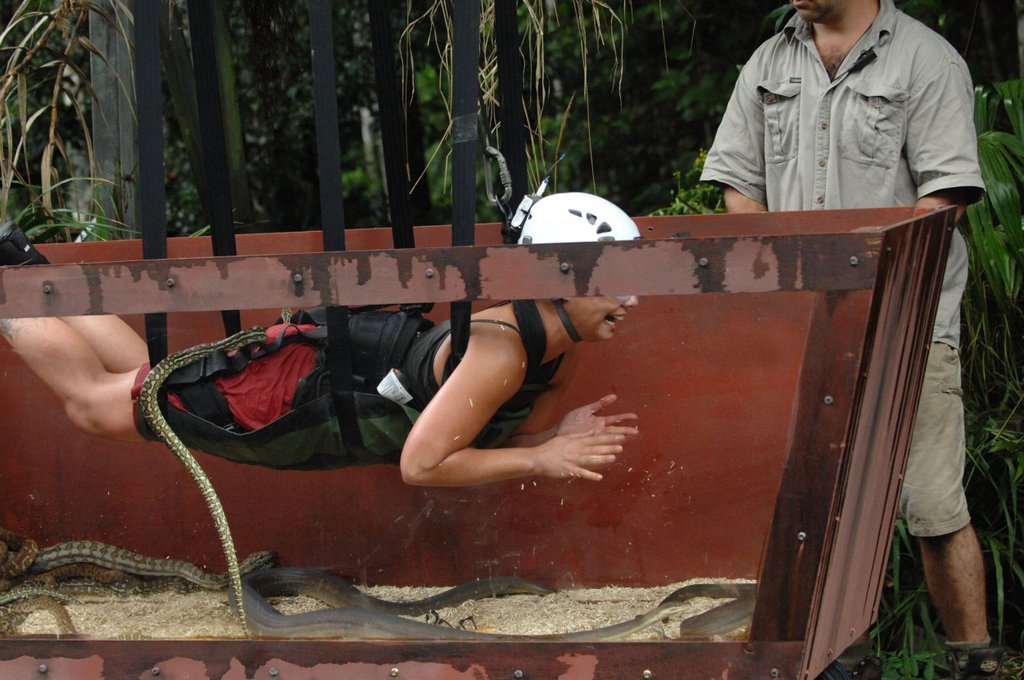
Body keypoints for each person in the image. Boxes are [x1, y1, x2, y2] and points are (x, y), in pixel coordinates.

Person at [699, 1, 1003, 678]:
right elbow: (738, 186)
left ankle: (974, 660)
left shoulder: (925, 59)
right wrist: (785, 281)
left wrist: (861, 278)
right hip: (801, 333)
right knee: (816, 510)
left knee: (933, 507)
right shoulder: (769, 60)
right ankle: (839, 665)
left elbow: (944, 199)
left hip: (908, 325)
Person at [0, 192, 640, 487]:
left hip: (323, 373)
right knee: (94, 405)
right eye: (616, 283)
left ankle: (20, 262)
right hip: (292, 393)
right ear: (561, 279)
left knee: (152, 374)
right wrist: (541, 460)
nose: (631, 300)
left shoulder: (555, 353)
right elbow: (422, 466)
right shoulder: (502, 352)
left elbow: (474, 437)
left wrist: (553, 438)